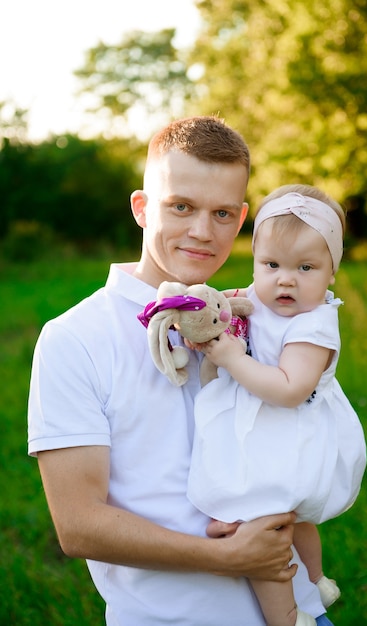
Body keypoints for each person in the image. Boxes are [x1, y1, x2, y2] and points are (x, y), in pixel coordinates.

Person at [28, 117, 333, 626]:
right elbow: (78, 524)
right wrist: (227, 558)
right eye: (181, 207)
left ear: (240, 221)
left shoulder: (258, 315)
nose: (201, 232)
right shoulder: (74, 339)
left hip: (299, 606)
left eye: (220, 214)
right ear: (142, 209)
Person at [186, 185, 367, 626]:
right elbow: (238, 310)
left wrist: (230, 356)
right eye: (271, 265)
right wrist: (221, 310)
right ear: (256, 262)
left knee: (262, 524)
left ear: (331, 273)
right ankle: (316, 577)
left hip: (290, 436)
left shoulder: (315, 325)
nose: (284, 279)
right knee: (290, 517)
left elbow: (288, 388)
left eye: (305, 267)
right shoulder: (263, 296)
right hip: (264, 434)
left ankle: (287, 616)